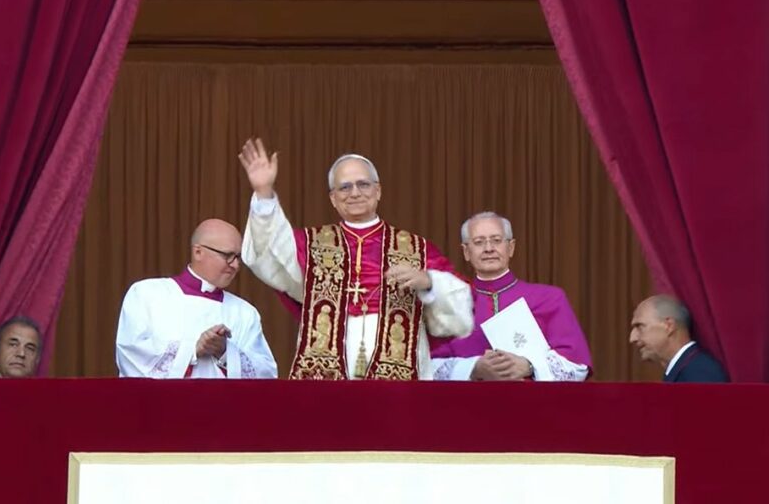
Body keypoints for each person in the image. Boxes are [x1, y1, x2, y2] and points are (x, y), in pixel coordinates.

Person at [238, 139, 472, 380]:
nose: (355, 193)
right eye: (345, 187)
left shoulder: (416, 249)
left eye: (363, 184)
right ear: (333, 198)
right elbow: (269, 254)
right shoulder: (310, 245)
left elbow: (461, 311)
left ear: (378, 190)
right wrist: (263, 192)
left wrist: (429, 282)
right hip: (327, 376)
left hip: (399, 379)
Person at [430, 212, 591, 381]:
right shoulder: (449, 304)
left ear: (511, 247)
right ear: (466, 252)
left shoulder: (550, 298)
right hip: (466, 404)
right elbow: (425, 368)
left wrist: (529, 366)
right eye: (479, 242)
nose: (488, 248)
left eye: (497, 240)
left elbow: (577, 366)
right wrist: (473, 367)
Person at [116, 219, 277, 379]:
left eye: (238, 257)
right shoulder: (146, 294)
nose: (235, 265)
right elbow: (130, 353)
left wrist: (226, 352)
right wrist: (192, 349)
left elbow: (266, 374)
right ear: (198, 252)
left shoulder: (245, 313)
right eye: (228, 256)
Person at [630, 294, 727, 382]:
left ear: (669, 326)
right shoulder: (687, 369)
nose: (632, 338)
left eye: (639, 326)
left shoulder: (700, 373)